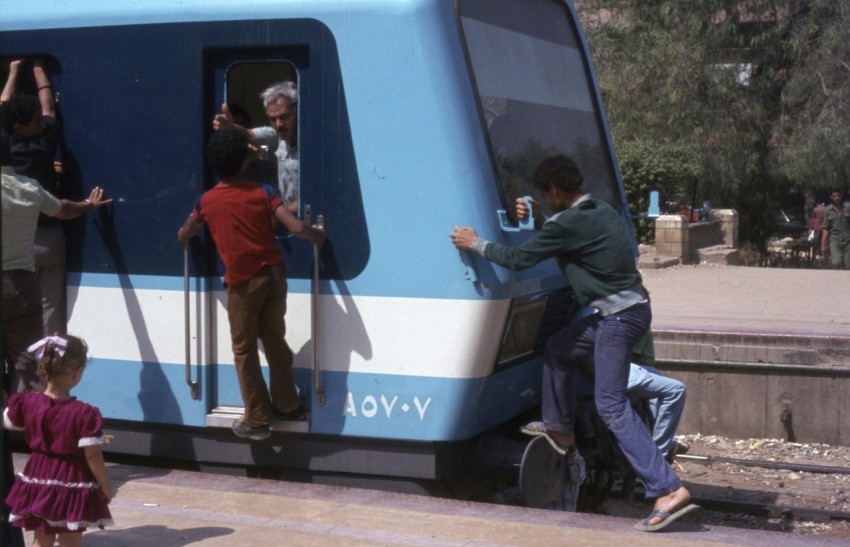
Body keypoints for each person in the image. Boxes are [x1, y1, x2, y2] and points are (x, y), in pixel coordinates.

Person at [450, 155, 695, 531]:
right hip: (631, 310)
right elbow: (571, 234)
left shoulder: (567, 222)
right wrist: (542, 219)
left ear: (555, 190)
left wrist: (475, 242)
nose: (545, 199)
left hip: (617, 319)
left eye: (544, 194)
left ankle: (667, 488)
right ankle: (560, 429)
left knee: (611, 405)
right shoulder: (601, 211)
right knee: (560, 349)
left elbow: (518, 258)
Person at [177, 128, 325, 441]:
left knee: (244, 350)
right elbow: (296, 227)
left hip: (242, 284)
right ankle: (288, 405)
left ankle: (257, 418)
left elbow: (189, 229)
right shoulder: (264, 191)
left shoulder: (207, 201)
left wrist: (183, 236)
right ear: (246, 161)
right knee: (274, 338)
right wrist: (316, 235)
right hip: (274, 274)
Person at [2, 140, 111, 395]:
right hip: (23, 288)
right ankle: (28, 426)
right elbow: (63, 209)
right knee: (29, 363)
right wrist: (89, 204)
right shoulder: (28, 188)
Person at [4, 335, 114, 546]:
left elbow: (9, 421)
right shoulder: (84, 413)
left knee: (41, 539)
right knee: (70, 540)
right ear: (78, 372)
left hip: (37, 477)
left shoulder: (28, 403)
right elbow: (92, 453)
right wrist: (104, 485)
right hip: (72, 481)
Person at [1, 59, 67, 335]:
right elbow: (48, 106)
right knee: (49, 309)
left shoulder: (6, 146)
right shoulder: (45, 140)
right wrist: (40, 69)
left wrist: (13, 71)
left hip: (16, 248)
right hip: (49, 238)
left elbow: (3, 107)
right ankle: (48, 363)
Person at [212, 81, 299, 213]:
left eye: (284, 117)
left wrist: (279, 214)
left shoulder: (314, 143)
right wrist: (231, 128)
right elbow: (249, 135)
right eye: (272, 119)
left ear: (298, 112)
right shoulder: (274, 138)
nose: (278, 124)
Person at [822, 189, 850, 270]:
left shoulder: (848, 207)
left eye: (838, 195)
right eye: (834, 196)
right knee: (836, 262)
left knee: (848, 265)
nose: (837, 197)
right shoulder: (827, 210)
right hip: (835, 239)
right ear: (831, 197)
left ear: (841, 196)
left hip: (848, 240)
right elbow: (825, 228)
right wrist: (823, 244)